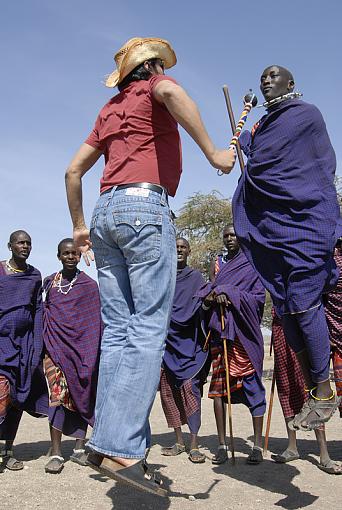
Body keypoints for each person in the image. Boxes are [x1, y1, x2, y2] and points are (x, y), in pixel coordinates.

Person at [64, 37, 235, 495]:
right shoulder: (155, 87)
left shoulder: (110, 108)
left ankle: (105, 443)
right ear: (153, 65)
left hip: (104, 215)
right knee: (146, 330)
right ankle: (121, 445)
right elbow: (174, 95)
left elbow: (73, 171)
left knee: (118, 331)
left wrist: (80, 227)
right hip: (144, 209)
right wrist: (217, 154)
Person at [233, 65, 341, 431]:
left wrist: (250, 144)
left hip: (308, 221)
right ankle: (316, 389)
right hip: (278, 229)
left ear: (291, 84)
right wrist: (245, 136)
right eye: (263, 75)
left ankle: (324, 391)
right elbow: (259, 162)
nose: (266, 79)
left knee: (306, 304)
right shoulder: (263, 126)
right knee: (288, 309)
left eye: (274, 75)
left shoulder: (305, 115)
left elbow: (295, 167)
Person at [199, 225, 266, 464]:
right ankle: (221, 445)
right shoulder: (217, 263)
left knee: (254, 389)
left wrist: (230, 293)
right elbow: (210, 289)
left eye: (233, 235)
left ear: (241, 238)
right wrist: (213, 296)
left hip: (244, 337)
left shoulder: (252, 264)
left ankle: (257, 446)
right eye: (225, 235)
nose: (229, 239)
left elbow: (258, 299)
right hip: (222, 334)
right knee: (218, 391)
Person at [43, 238, 102, 474]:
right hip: (55, 349)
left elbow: (94, 323)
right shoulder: (49, 284)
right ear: (58, 256)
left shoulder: (89, 285)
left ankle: (79, 449)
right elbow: (43, 315)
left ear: (79, 257)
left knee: (83, 393)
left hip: (82, 351)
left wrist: (90, 353)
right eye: (66, 253)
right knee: (56, 397)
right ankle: (56, 452)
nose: (70, 257)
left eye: (74, 254)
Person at [0, 231, 48, 473]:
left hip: (25, 345)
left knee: (18, 398)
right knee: (2, 394)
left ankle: (8, 450)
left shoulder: (34, 275)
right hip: (1, 344)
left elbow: (38, 310)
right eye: (21, 242)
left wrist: (37, 346)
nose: (25, 246)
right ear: (10, 246)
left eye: (29, 242)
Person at [271, 310, 342, 474]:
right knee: (285, 387)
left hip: (305, 325)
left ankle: (324, 455)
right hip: (281, 328)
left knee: (315, 389)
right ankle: (292, 446)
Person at [160, 238, 209, 464]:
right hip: (167, 343)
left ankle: (194, 444)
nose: (179, 250)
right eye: (176, 247)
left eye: (182, 248)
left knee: (190, 390)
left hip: (191, 344)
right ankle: (179, 441)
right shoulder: (163, 276)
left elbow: (203, 305)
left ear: (189, 251)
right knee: (169, 392)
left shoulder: (196, 278)